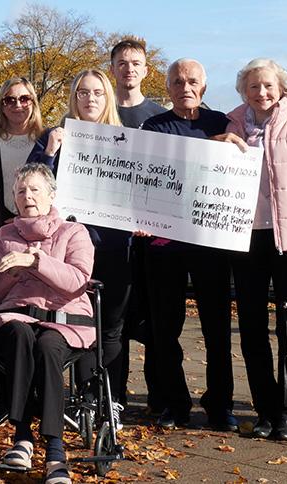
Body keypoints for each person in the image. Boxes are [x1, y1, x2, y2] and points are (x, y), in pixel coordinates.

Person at [224, 58, 287, 441]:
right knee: (250, 327)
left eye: (267, 86)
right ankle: (265, 409)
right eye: (253, 87)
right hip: (244, 238)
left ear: (282, 88)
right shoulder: (231, 125)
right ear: (243, 91)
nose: (261, 93)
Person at [139, 59, 239, 431]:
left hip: (211, 242)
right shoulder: (153, 127)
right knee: (165, 330)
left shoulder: (222, 124)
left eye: (192, 80)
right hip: (164, 245)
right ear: (168, 88)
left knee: (217, 330)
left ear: (204, 86)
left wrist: (226, 145)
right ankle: (174, 403)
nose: (185, 86)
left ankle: (220, 405)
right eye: (178, 81)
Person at [27, 70, 127, 429]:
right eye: (82, 92)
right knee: (76, 321)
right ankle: (83, 399)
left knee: (111, 329)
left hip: (113, 249)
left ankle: (109, 401)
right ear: (74, 98)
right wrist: (49, 152)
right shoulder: (54, 137)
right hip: (68, 251)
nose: (90, 99)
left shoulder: (127, 141)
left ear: (108, 98)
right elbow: (32, 186)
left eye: (98, 92)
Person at [0, 163, 94, 484]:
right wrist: (10, 273)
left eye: (34, 189)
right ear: (14, 201)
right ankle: (22, 436)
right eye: (20, 191)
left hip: (63, 320)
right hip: (16, 316)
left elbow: (76, 281)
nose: (27, 196)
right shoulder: (4, 237)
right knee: (18, 333)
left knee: (47, 346)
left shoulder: (75, 232)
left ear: (51, 195)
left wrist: (36, 261)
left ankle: (55, 450)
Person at [109, 37, 166, 412]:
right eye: (122, 62)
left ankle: (159, 398)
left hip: (151, 240)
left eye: (135, 63)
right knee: (113, 322)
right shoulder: (98, 114)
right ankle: (114, 397)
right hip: (110, 239)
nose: (129, 68)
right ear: (112, 68)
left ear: (146, 70)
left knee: (155, 322)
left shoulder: (160, 117)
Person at [0, 78, 45, 224]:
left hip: (38, 225)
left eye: (24, 99)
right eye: (10, 100)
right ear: (2, 105)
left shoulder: (47, 140)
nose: (17, 105)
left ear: (33, 103)